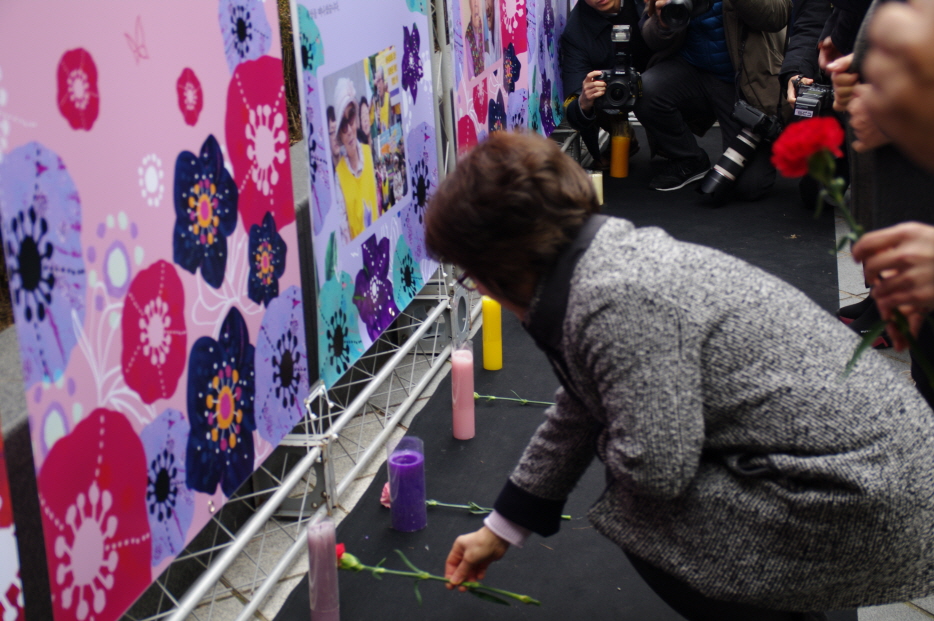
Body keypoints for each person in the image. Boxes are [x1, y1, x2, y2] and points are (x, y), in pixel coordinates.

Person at [428, 131, 934, 621]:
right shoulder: (601, 262)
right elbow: (580, 403)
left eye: (472, 274)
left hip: (869, 495)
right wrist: (502, 525)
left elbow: (655, 468)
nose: (478, 288)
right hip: (869, 469)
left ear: (501, 267)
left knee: (642, 510)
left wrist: (618, 422)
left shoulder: (613, 298)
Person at [633, 0, 789, 197]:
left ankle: (768, 144)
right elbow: (652, 40)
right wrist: (662, 22)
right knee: (645, 90)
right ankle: (689, 159)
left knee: (749, 186)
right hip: (692, 70)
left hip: (743, 82)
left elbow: (776, 17)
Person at [559, 0, 651, 169]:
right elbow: (573, 103)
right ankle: (621, 131)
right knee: (594, 91)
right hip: (616, 95)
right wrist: (584, 101)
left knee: (659, 85)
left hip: (661, 76)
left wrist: (663, 22)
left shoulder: (647, 4)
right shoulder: (576, 31)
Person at [332, 78, 377, 239]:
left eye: (351, 117)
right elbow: (344, 234)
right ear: (339, 134)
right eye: (343, 125)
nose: (349, 130)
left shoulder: (368, 153)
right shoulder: (339, 176)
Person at [465, 0, 487, 78]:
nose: (475, 3)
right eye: (472, 0)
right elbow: (471, 77)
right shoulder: (468, 39)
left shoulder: (486, 30)